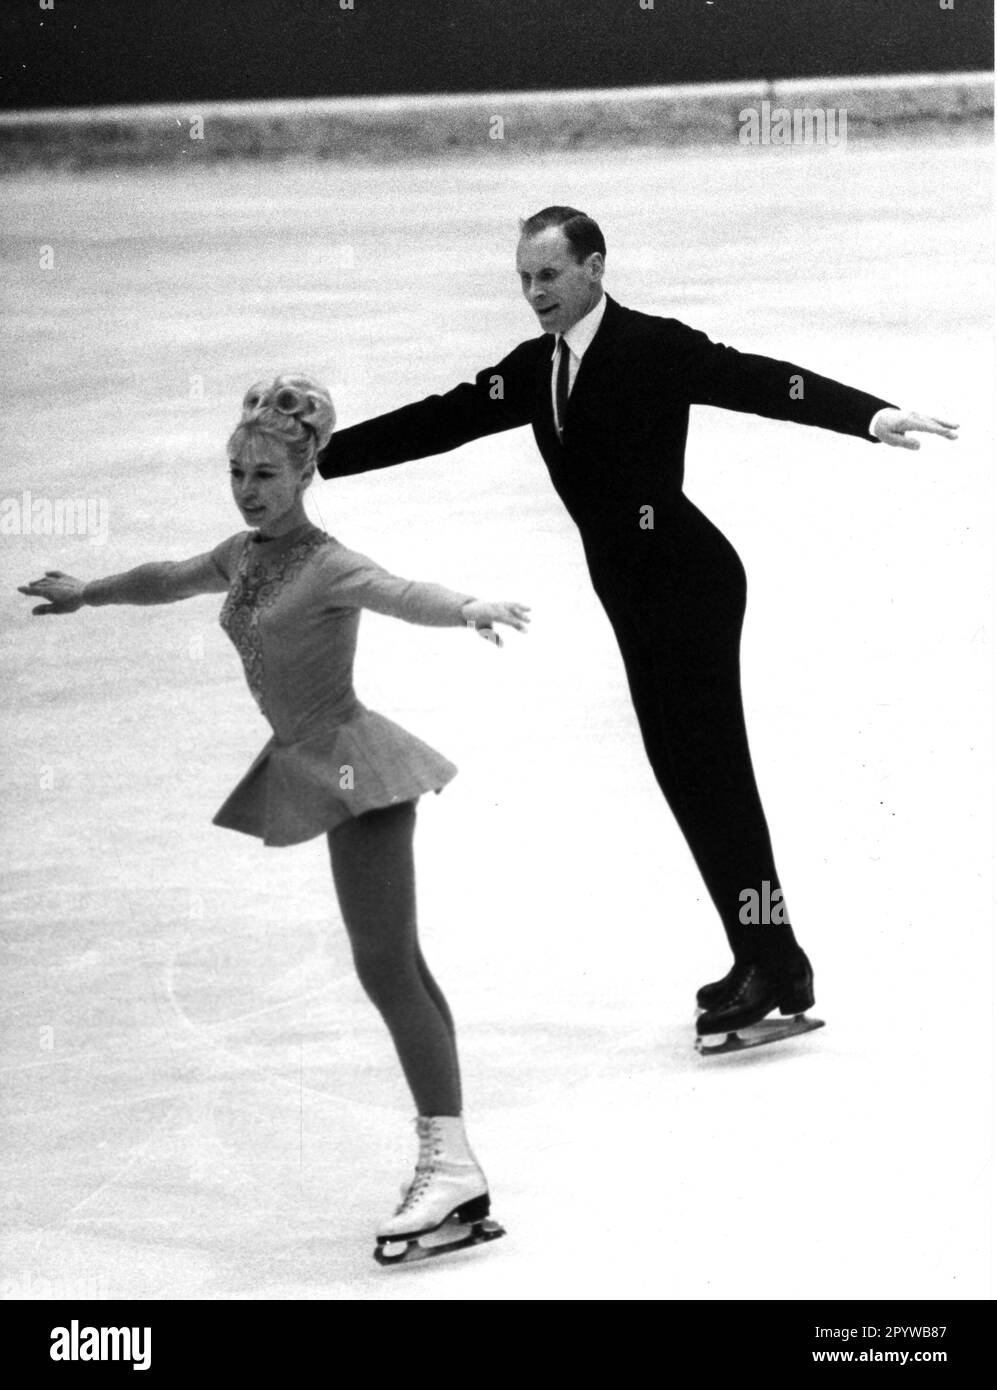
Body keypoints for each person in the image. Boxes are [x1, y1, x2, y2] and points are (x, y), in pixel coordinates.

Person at [314, 206, 959, 1047]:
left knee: (710, 771)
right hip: (633, 591)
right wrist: (323, 459)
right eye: (522, 278)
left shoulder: (651, 346)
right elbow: (442, 417)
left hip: (687, 582)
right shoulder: (535, 369)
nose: (533, 292)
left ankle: (770, 961)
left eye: (547, 274)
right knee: (686, 772)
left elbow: (761, 380)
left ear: (594, 267)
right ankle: (767, 955)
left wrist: (871, 416)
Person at [17, 374, 530, 1264]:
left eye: (264, 474)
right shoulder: (246, 555)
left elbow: (400, 591)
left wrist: (468, 608)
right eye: (236, 473)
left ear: (304, 474)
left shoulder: (326, 562)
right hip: (314, 763)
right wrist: (88, 591)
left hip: (352, 768)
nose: (248, 488)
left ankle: (446, 1162)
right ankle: (454, 1159)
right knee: (398, 965)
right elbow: (169, 578)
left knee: (386, 969)